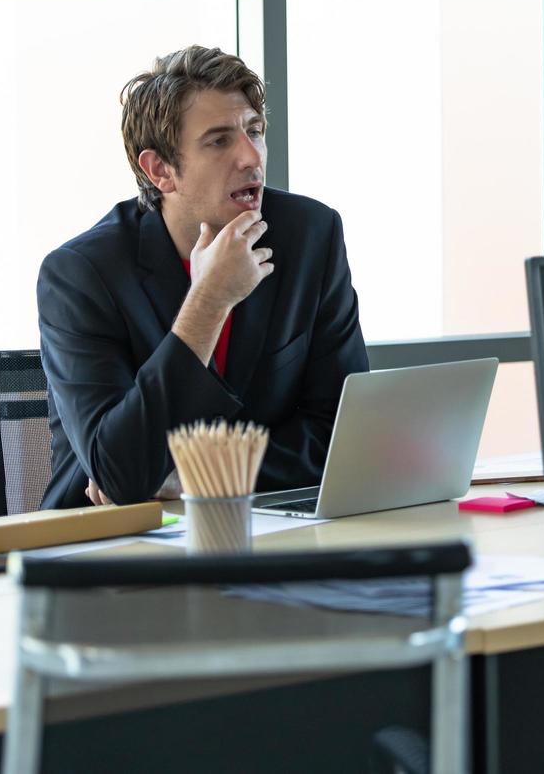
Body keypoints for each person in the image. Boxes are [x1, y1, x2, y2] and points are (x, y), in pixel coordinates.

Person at [36, 45, 368, 509]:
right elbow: (120, 474)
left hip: (271, 534)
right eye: (219, 141)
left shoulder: (310, 236)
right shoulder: (81, 275)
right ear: (159, 170)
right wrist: (208, 302)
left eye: (254, 130)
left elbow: (342, 435)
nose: (251, 156)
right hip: (111, 552)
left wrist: (201, 478)